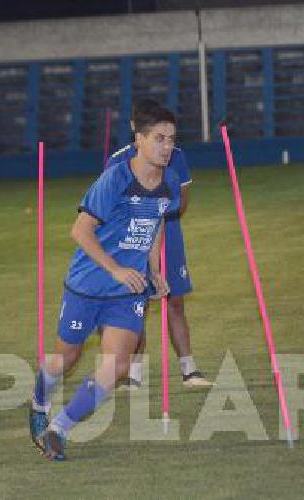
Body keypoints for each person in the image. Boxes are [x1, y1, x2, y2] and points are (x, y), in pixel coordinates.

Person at [29, 106, 182, 461]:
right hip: (87, 285)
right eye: (158, 139)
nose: (166, 147)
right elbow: (80, 230)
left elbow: (155, 224)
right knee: (65, 357)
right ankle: (39, 404)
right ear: (139, 140)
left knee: (117, 366)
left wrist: (155, 269)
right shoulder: (114, 179)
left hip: (128, 291)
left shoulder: (169, 182)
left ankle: (59, 428)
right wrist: (114, 267)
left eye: (171, 140)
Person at [106, 99, 212, 389]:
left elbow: (181, 200)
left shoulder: (176, 156)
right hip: (132, 240)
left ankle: (189, 369)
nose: (165, 144)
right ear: (136, 131)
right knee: (136, 304)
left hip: (169, 233)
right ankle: (134, 372)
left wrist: (163, 218)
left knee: (175, 300)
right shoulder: (117, 160)